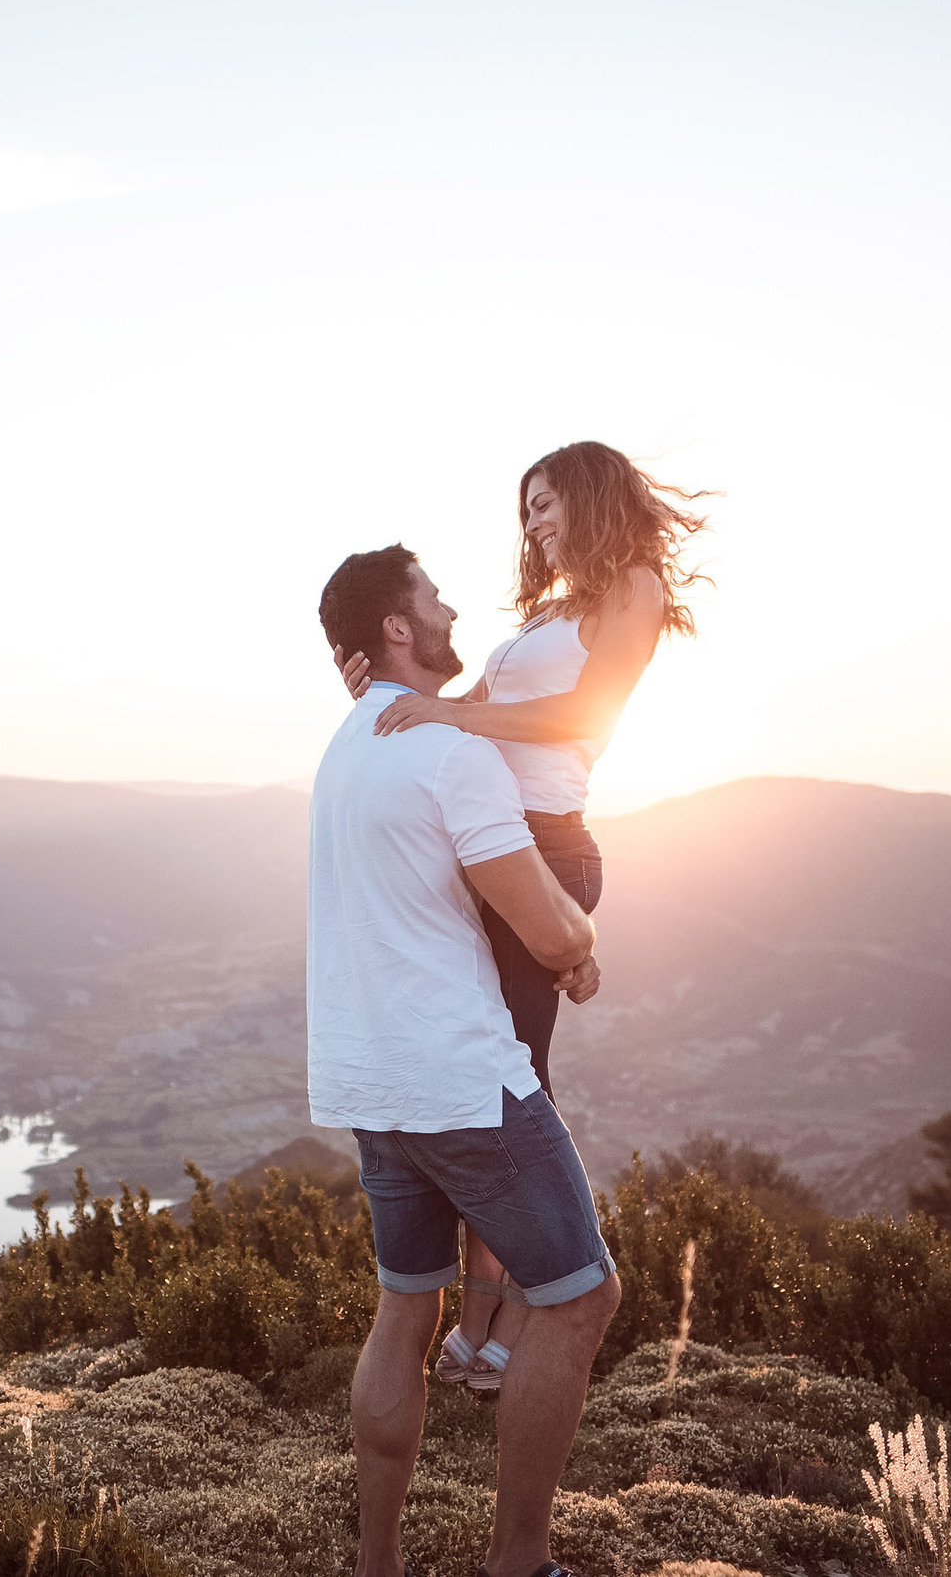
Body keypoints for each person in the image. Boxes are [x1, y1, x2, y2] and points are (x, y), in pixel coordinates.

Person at [335, 443, 707, 1393]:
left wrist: (450, 721)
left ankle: (501, 1334)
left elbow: (584, 715)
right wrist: (391, 691)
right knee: (482, 1083)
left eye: (544, 504)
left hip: (546, 842)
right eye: (526, 510)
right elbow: (461, 706)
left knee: (508, 1085)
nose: (534, 524)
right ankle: (480, 1326)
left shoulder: (633, 588)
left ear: (588, 497)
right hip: (492, 845)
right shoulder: (546, 611)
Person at [310, 543, 623, 1577]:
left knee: (407, 1304)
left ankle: (378, 1567)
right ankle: (517, 1565)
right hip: (460, 1080)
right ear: (397, 629)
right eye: (432, 601)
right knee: (578, 1297)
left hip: (369, 1082)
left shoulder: (344, 748)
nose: (449, 613)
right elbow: (541, 921)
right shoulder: (453, 752)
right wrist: (577, 951)